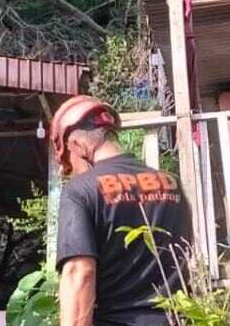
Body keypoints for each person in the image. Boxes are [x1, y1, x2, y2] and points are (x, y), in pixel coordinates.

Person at [50, 95, 193, 326]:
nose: (73, 172)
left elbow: (80, 273)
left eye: (69, 163)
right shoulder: (172, 183)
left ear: (77, 146)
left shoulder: (80, 190)